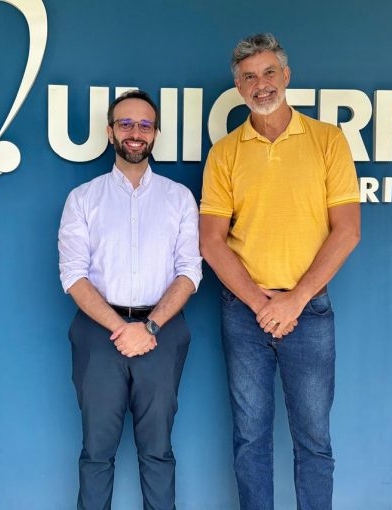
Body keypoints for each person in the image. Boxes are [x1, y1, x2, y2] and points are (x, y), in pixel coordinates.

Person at [199, 33, 361, 510]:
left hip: (308, 311)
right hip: (244, 313)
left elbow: (347, 230)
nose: (261, 83)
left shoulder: (328, 141)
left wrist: (294, 300)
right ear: (238, 87)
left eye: (269, 72)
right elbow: (211, 242)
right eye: (249, 77)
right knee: (250, 439)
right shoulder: (225, 153)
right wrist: (261, 304)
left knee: (314, 440)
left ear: (286, 76)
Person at [58, 89, 202, 510]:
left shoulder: (178, 198)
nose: (135, 132)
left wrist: (149, 327)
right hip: (98, 334)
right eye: (125, 124)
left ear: (155, 133)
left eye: (144, 125)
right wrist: (122, 329)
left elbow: (189, 271)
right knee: (96, 452)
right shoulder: (83, 198)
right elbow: (73, 275)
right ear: (110, 132)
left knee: (158, 451)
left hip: (162, 332)